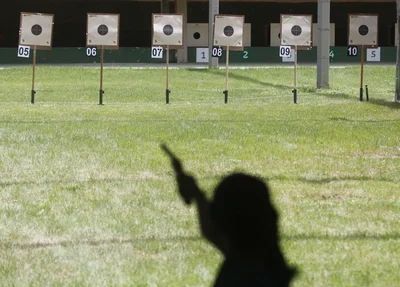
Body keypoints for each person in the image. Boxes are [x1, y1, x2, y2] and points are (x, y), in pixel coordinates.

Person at [162, 144, 297, 286]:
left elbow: (214, 234)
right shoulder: (265, 264)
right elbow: (214, 234)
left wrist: (198, 196)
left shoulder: (242, 274)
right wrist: (198, 196)